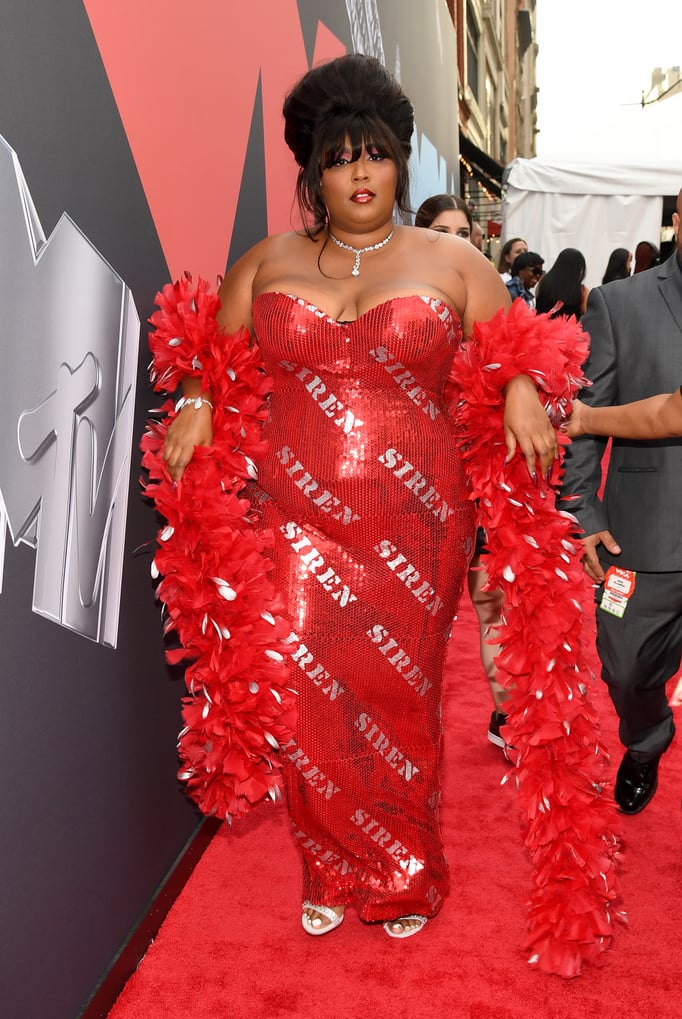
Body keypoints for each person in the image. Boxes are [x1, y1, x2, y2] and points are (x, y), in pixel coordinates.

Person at [159, 54, 559, 941]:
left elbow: (520, 351)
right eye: (340, 159)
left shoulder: (453, 259)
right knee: (309, 699)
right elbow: (213, 366)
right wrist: (192, 402)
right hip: (292, 519)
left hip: (419, 522)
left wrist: (524, 386)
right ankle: (331, 864)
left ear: (399, 162)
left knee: (400, 698)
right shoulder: (266, 262)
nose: (361, 173)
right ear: (315, 172)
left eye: (375, 154)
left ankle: (406, 872)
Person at [559, 187, 682, 815]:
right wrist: (584, 512)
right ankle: (646, 738)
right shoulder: (618, 303)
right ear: (678, 218)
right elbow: (584, 420)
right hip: (639, 535)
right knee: (625, 668)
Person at [415, 193, 509, 750]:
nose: (456, 241)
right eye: (442, 231)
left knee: (491, 602)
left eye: (464, 232)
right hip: (410, 487)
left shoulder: (491, 309)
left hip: (481, 480)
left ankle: (510, 719)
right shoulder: (399, 312)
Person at [535, 247, 588, 319]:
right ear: (579, 269)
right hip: (570, 329)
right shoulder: (582, 291)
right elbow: (588, 315)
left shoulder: (543, 282)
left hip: (541, 327)